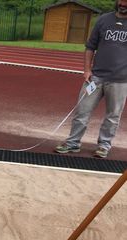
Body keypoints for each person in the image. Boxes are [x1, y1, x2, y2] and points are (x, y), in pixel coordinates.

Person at [55, 0, 127, 159]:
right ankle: (73, 143)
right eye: (121, 0)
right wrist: (87, 70)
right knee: (82, 110)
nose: (123, 4)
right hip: (95, 77)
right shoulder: (103, 20)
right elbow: (90, 47)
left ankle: (104, 145)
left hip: (120, 81)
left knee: (113, 115)